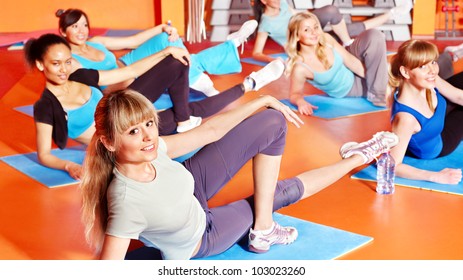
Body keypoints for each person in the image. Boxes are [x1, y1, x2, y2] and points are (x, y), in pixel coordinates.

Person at [80, 85, 399, 259]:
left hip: (191, 185)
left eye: (148, 123)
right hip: (202, 236)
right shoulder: (125, 200)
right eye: (133, 132)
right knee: (279, 193)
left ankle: (262, 226)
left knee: (273, 121)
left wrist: (262, 100)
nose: (148, 136)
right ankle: (359, 158)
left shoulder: (153, 150)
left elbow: (209, 132)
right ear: (108, 141)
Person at [24, 33, 285, 180]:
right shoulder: (45, 106)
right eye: (56, 64)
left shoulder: (78, 74)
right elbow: (44, 154)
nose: (64, 69)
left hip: (122, 108)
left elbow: (130, 72)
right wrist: (69, 166)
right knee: (187, 115)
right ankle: (250, 85)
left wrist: (166, 50)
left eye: (67, 61)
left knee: (177, 61)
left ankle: (185, 118)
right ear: (40, 65)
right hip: (118, 138)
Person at [56, 8, 257, 96]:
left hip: (128, 62)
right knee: (176, 57)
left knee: (166, 40)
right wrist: (153, 60)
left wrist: (163, 28)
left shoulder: (96, 41)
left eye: (84, 25)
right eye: (75, 27)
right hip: (125, 81)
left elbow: (132, 41)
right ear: (63, 31)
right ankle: (228, 48)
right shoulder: (69, 60)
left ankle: (200, 78)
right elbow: (106, 81)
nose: (82, 31)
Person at [381, 39, 463, 185]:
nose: (432, 70)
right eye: (423, 66)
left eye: (433, 62)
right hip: (439, 144)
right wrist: (436, 176)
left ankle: (451, 55)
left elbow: (458, 96)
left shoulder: (427, 78)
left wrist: (426, 67)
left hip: (437, 116)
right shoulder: (406, 119)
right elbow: (393, 165)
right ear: (405, 72)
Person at [285, 12, 389, 115]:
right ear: (296, 36)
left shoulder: (325, 39)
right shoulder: (300, 68)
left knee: (375, 35)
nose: (314, 32)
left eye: (316, 27)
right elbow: (295, 94)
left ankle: (379, 92)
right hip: (351, 89)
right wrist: (300, 102)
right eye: (307, 30)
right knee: (393, 83)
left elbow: (352, 62)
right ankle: (379, 92)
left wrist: (380, 79)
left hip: (353, 62)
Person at [251, 0, 412, 63]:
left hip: (308, 28)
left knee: (331, 11)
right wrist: (273, 60)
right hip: (301, 41)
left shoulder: (284, 5)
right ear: (264, 1)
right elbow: (256, 53)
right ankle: (392, 14)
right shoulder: (266, 23)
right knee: (353, 28)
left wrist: (313, 23)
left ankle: (347, 42)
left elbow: (299, 16)